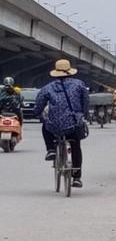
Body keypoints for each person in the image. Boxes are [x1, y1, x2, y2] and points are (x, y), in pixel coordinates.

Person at [33, 60, 89, 188]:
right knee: (76, 146)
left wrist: (36, 113)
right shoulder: (79, 84)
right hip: (74, 123)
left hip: (55, 124)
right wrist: (83, 114)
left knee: (45, 126)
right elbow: (85, 101)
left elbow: (39, 105)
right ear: (70, 71)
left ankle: (51, 150)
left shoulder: (48, 87)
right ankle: (76, 178)